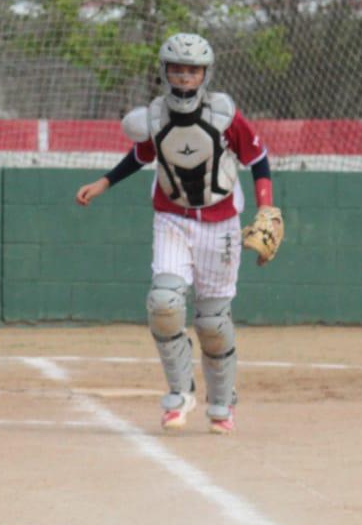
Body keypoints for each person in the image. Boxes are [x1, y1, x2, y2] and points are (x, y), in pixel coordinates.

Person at [75, 32, 276, 435]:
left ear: (205, 74)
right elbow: (142, 154)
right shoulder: (153, 117)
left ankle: (221, 405)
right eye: (178, 70)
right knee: (165, 304)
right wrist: (104, 182)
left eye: (193, 70)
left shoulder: (224, 114)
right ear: (166, 72)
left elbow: (258, 158)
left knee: (212, 322)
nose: (185, 78)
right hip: (172, 219)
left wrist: (266, 206)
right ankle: (178, 393)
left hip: (220, 224)